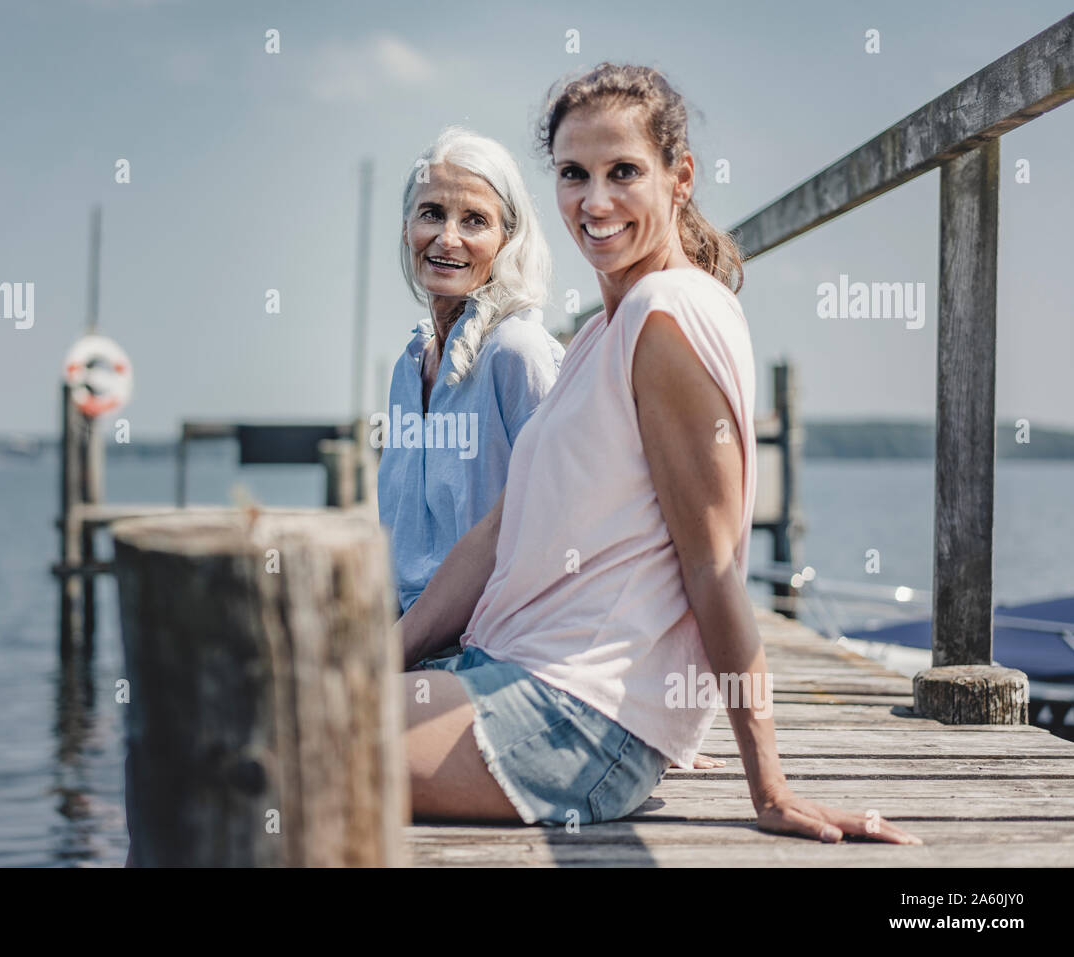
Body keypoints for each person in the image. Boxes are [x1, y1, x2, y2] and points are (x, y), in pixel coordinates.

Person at [397, 64, 921, 844]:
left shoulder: (665, 316)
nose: (595, 201)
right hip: (511, 672)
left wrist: (767, 783)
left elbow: (713, 567)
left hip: (579, 720)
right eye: (575, 174)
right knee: (284, 710)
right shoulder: (600, 336)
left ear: (679, 179)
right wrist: (380, 656)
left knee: (292, 749)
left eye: (624, 173)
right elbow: (493, 534)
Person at [377, 127, 563, 622]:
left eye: (474, 220)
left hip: (494, 640)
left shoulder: (515, 353)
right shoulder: (407, 367)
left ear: (507, 239)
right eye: (432, 213)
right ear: (406, 228)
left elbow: (559, 522)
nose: (447, 238)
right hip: (414, 633)